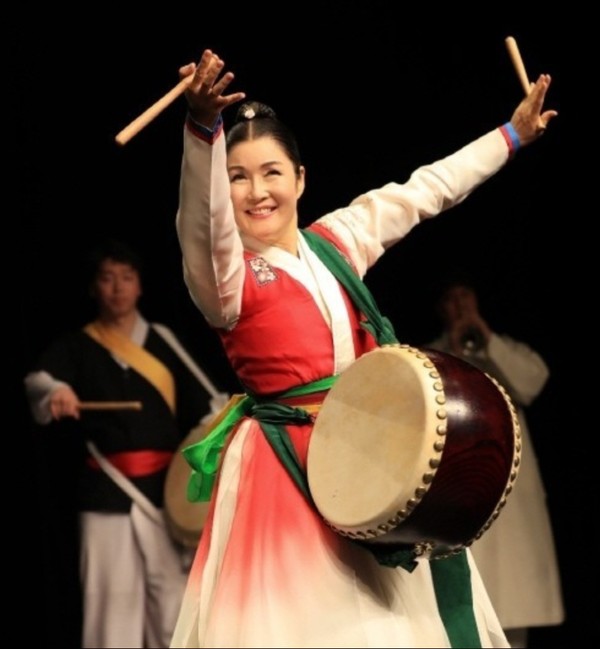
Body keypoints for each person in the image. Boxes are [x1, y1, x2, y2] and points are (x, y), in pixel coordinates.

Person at [169, 48, 557, 648]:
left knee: (395, 623)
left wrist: (511, 136)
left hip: (364, 456)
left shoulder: (335, 242)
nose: (256, 191)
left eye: (271, 172)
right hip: (286, 468)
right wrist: (202, 132)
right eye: (237, 177)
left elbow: (425, 190)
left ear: (300, 178)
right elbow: (203, 227)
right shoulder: (227, 280)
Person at [24, 239, 228, 649]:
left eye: (127, 277)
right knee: (110, 606)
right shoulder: (78, 346)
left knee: (172, 605)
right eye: (107, 278)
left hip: (165, 497)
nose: (117, 287)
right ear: (93, 288)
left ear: (139, 286)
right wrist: (58, 392)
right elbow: (39, 381)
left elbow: (214, 405)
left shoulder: (163, 340)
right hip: (106, 492)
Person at [426, 275, 564, 648]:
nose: (459, 305)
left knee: (514, 606)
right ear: (440, 309)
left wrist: (485, 337)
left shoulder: (504, 350)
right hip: (461, 489)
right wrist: (456, 352)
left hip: (512, 493)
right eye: (451, 299)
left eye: (465, 295)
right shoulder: (432, 356)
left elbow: (533, 382)